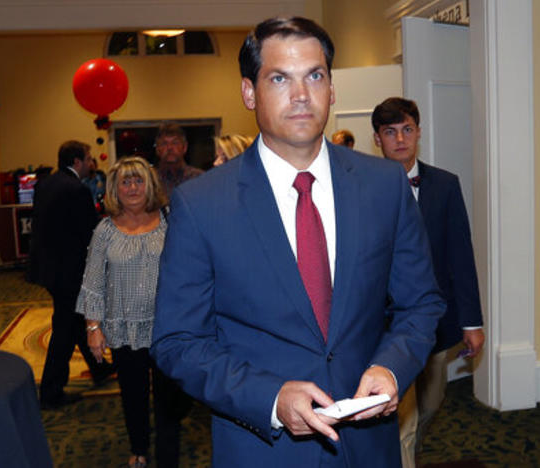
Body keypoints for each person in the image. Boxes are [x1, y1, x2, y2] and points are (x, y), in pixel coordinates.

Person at [151, 17, 445, 468]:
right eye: (279, 78)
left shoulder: (384, 185)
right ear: (249, 92)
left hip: (368, 445)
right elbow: (179, 342)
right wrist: (269, 398)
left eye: (315, 75)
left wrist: (391, 367)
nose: (301, 94)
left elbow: (420, 303)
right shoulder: (200, 204)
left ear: (331, 88)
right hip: (264, 449)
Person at [371, 97, 485, 467]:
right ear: (378, 139)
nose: (400, 139)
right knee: (401, 414)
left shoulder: (445, 185)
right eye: (390, 132)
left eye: (407, 129)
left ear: (418, 132)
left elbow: (461, 256)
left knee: (431, 404)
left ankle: (409, 451)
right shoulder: (361, 188)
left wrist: (471, 321)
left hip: (435, 322)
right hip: (385, 327)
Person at [77, 156, 189, 468]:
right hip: (124, 328)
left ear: (150, 185)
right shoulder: (104, 231)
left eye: (138, 180)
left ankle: (169, 455)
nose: (132, 187)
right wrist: (93, 328)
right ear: (114, 189)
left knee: (170, 398)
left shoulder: (170, 222)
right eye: (125, 182)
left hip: (167, 327)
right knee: (133, 395)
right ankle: (139, 448)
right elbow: (93, 282)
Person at [29, 140, 115, 409]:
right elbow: (89, 229)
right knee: (64, 331)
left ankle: (98, 368)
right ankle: (52, 392)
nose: (92, 163)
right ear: (77, 161)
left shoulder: (46, 183)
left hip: (48, 267)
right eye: (88, 158)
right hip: (68, 270)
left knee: (76, 321)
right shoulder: (76, 189)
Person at [154, 122, 203, 201]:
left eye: (175, 143)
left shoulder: (198, 178)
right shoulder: (151, 180)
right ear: (158, 149)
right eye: (164, 143)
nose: (170, 148)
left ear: (185, 147)